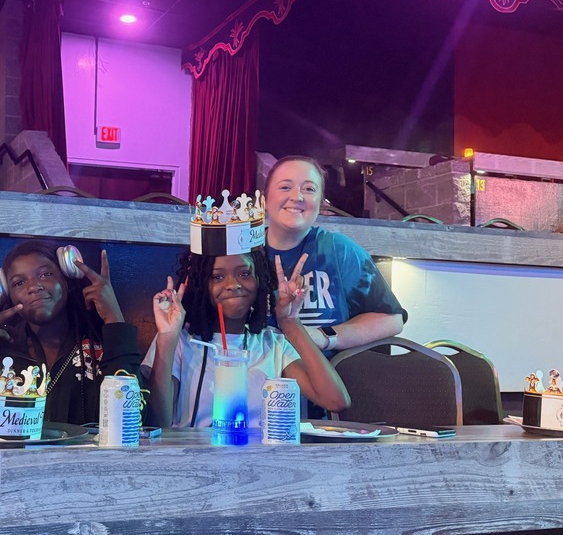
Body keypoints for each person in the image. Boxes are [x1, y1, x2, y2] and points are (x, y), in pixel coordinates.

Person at [143, 245, 350, 428]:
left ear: (260, 280)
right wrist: (168, 337)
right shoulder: (179, 340)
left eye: (244, 274)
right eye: (218, 277)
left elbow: (336, 401)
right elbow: (158, 422)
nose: (233, 284)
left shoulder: (273, 343)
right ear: (202, 285)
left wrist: (290, 323)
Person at [0, 240, 141, 425]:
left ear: (66, 280)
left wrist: (114, 319)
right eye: (19, 283)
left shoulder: (103, 344)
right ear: (7, 294)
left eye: (45, 274)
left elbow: (135, 418)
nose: (33, 287)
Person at [263, 155, 407, 356]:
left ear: (321, 204)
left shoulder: (338, 249)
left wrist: (324, 337)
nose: (297, 196)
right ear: (264, 200)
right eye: (285, 187)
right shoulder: (244, 254)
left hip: (327, 380)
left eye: (309, 189)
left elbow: (391, 319)